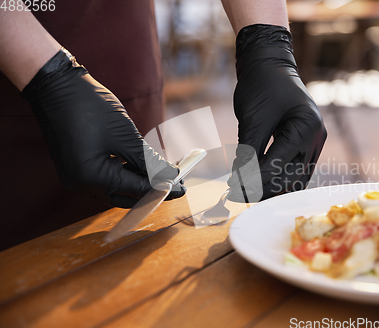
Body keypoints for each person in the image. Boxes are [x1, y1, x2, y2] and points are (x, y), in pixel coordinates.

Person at [0, 0, 326, 250]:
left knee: (138, 245)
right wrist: (47, 74)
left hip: (129, 54)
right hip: (13, 80)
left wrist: (267, 42)